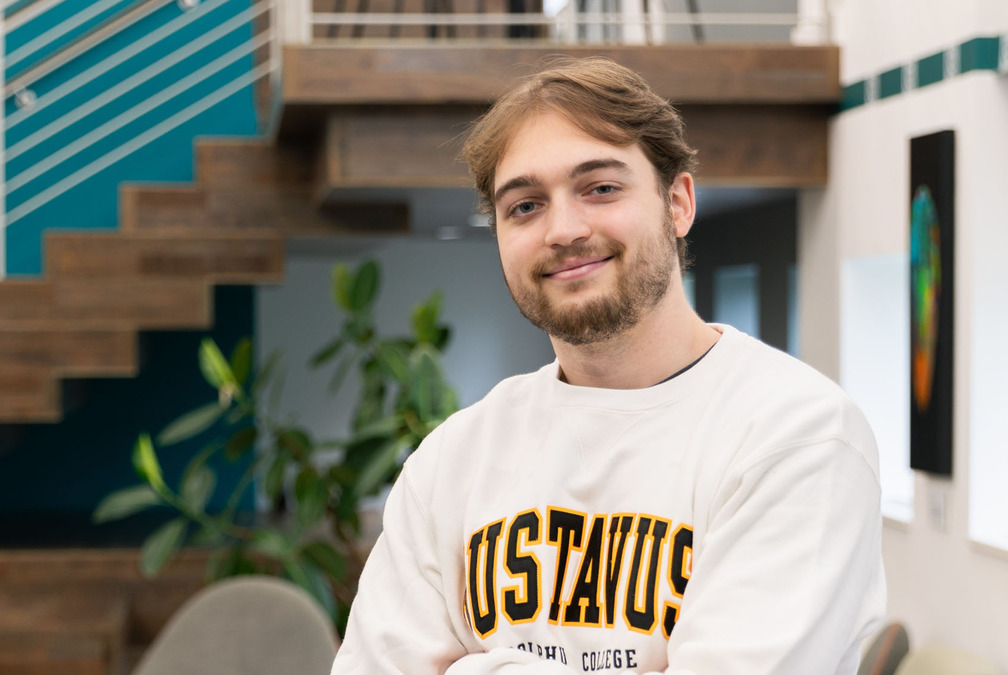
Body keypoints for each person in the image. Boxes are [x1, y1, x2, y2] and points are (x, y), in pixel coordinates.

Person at [331, 56, 885, 675]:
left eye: (600, 188)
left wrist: (473, 668)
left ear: (677, 203)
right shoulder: (451, 460)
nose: (563, 230)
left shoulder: (795, 436)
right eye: (525, 206)